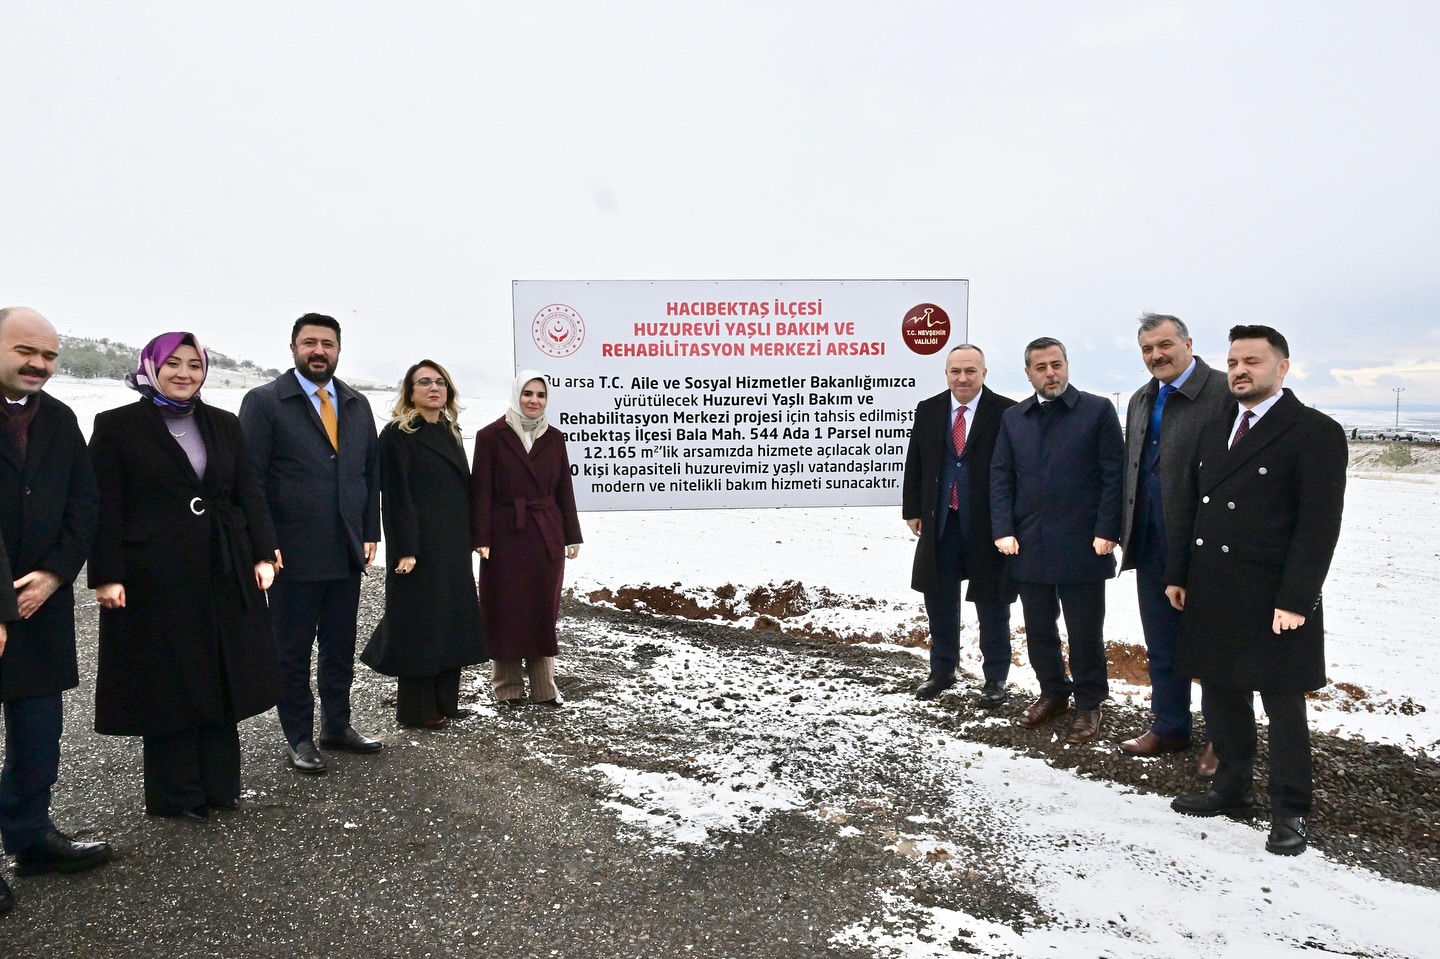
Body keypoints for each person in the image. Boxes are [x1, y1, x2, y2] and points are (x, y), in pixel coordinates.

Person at [1167, 325, 1346, 857]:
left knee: (1283, 703)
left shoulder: (1314, 431)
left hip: (1273, 596)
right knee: (1221, 691)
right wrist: (1179, 573)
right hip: (1213, 585)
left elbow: (1318, 526)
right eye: (1233, 362)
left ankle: (1290, 808)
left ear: (1282, 368)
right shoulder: (1217, 426)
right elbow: (1192, 505)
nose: (1240, 371)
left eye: (1253, 361)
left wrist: (1296, 599)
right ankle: (1232, 787)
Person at [88, 333, 281, 822]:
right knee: (168, 679)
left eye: (194, 365)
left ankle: (219, 786)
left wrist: (263, 552)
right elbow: (104, 506)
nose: (184, 373)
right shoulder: (116, 425)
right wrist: (106, 574)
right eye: (172, 363)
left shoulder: (223, 423)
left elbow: (247, 492)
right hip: (154, 575)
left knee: (220, 671)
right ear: (151, 368)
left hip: (222, 566)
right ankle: (176, 795)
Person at [239, 313, 382, 774]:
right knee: (292, 651)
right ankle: (299, 736)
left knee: (339, 647)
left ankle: (337, 726)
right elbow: (250, 480)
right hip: (291, 552)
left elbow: (369, 474)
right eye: (309, 342)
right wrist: (263, 543)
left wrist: (369, 531)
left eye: (327, 343)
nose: (319, 350)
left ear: (338, 350)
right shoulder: (265, 402)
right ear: (293, 348)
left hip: (344, 550)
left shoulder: (356, 404)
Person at [0, 307, 108, 914]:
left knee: (39, 734)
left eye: (48, 355)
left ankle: (30, 836)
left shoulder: (60, 419)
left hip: (42, 602)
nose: (38, 364)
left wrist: (56, 573)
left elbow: (84, 502)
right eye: (25, 351)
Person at [991, 336, 1124, 743]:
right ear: (1028, 373)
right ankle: (1053, 693)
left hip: (1084, 544)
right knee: (1038, 629)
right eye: (1041, 367)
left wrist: (1108, 530)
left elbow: (1114, 474)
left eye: (1057, 364)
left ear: (1066, 365)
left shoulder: (1097, 411)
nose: (1050, 374)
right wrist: (1003, 529)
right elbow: (1001, 476)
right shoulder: (1014, 418)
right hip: (1028, 543)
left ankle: (1089, 703)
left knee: (1085, 631)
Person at [1117, 314, 1232, 777]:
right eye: (1147, 349)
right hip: (1150, 540)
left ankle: (1224, 738)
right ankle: (1169, 726)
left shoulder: (1224, 391)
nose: (1156, 355)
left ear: (1188, 343)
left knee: (1216, 647)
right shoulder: (1141, 399)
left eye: (1164, 344)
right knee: (1161, 642)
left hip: (1206, 545)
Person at [361, 361, 487, 726]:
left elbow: (462, 489)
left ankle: (446, 702)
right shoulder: (397, 434)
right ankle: (416, 710)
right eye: (425, 382)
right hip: (419, 546)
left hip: (453, 544)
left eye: (440, 382)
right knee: (419, 622)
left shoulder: (451, 430)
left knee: (450, 618)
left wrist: (475, 536)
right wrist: (405, 548)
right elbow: (395, 496)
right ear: (410, 392)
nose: (434, 388)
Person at [901, 344, 1017, 706]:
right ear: (947, 374)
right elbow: (916, 461)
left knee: (992, 603)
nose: (962, 378)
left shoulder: (1007, 412)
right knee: (938, 600)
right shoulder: (929, 409)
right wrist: (913, 509)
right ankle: (942, 670)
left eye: (970, 371)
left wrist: (1010, 521)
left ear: (984, 373)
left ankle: (995, 678)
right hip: (941, 522)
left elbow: (1015, 470)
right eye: (956, 371)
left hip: (988, 526)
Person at [471, 371, 581, 706]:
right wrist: (481, 536)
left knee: (541, 608)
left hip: (546, 533)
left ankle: (544, 686)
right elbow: (481, 491)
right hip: (505, 533)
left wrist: (572, 535)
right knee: (504, 606)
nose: (534, 400)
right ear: (516, 395)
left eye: (541, 395)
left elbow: (564, 488)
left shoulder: (555, 438)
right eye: (528, 393)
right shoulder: (491, 436)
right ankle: (507, 687)